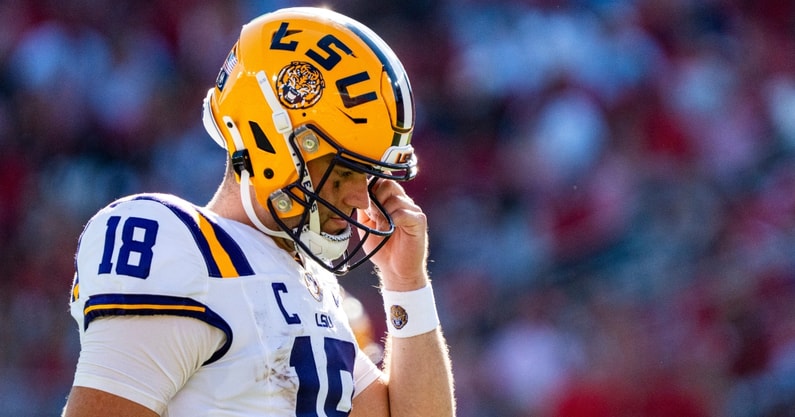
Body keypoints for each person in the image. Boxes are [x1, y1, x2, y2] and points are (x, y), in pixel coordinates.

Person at [62, 7, 455, 417]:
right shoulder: (181, 246)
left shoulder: (313, 287)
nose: (361, 198)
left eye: (370, 175)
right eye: (343, 171)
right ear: (271, 140)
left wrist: (405, 283)